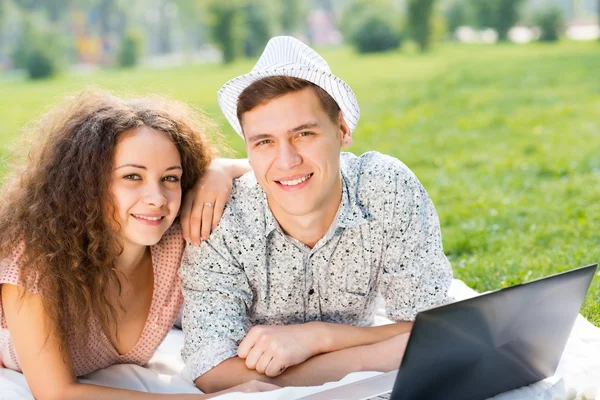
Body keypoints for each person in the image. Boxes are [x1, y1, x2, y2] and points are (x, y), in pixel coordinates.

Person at [179, 36, 454, 394]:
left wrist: (316, 339)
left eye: (304, 134)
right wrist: (365, 357)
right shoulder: (222, 218)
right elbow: (211, 367)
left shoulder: (385, 188)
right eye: (264, 142)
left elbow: (430, 329)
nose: (287, 160)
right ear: (248, 147)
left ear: (342, 130)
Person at [0, 89, 277, 399]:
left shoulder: (175, 243)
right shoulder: (36, 258)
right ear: (86, 185)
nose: (157, 198)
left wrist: (219, 170)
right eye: (132, 176)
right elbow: (58, 393)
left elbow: (282, 169)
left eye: (170, 178)